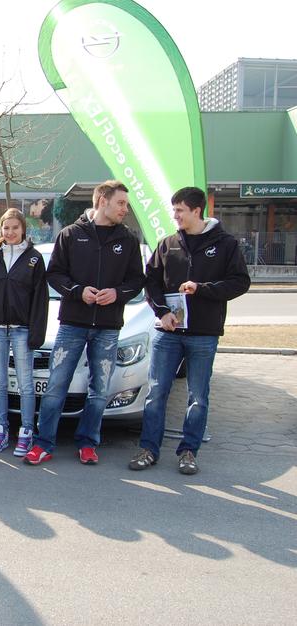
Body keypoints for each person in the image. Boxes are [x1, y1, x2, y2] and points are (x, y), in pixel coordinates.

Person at [130, 187, 250, 475]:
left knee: (198, 396)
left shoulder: (226, 245)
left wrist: (202, 289)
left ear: (197, 211)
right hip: (168, 333)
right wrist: (163, 312)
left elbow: (240, 282)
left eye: (180, 210)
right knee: (156, 392)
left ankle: (188, 452)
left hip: (204, 334)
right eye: (174, 210)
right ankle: (148, 449)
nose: (175, 216)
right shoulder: (167, 244)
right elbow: (151, 282)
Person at [24, 180, 144, 466]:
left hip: (108, 328)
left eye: (126, 204)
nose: (125, 210)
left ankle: (88, 443)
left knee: (99, 391)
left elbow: (137, 280)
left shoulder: (127, 240)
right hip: (72, 325)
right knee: (56, 386)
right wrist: (78, 292)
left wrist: (117, 293)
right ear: (102, 201)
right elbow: (54, 275)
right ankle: (43, 443)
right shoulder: (70, 234)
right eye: (121, 203)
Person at [0, 208, 48, 456]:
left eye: (15, 228)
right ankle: (0, 430)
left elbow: (40, 299)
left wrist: (36, 333)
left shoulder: (34, 259)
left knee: (25, 384)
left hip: (22, 330)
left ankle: (27, 431)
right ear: (0, 229)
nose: (10, 232)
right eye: (6, 228)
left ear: (23, 229)